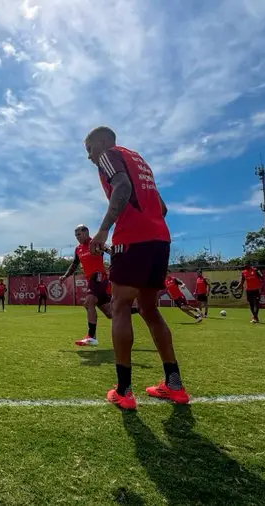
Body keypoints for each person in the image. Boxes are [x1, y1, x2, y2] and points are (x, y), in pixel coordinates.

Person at [84, 126, 188, 409]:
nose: (90, 157)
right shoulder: (139, 160)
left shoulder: (109, 155)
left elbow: (122, 187)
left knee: (120, 307)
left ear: (103, 142)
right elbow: (162, 207)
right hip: (160, 240)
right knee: (149, 309)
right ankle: (174, 385)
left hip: (132, 240)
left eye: (89, 149)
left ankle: (124, 390)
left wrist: (104, 230)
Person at [61, 225, 113, 346]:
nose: (77, 237)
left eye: (79, 234)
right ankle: (140, 309)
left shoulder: (95, 243)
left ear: (86, 232)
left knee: (88, 302)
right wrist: (65, 276)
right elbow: (74, 264)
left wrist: (117, 260)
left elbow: (111, 252)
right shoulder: (78, 249)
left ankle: (91, 336)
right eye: (75, 235)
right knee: (110, 314)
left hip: (99, 277)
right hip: (92, 280)